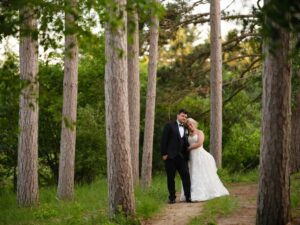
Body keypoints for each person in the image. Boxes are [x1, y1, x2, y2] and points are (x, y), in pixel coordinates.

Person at [180, 118, 229, 202]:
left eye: (191, 124)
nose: (190, 126)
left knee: (201, 173)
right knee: (191, 174)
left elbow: (199, 143)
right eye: (188, 125)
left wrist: (189, 148)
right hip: (191, 157)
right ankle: (189, 194)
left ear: (195, 124)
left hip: (199, 155)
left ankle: (201, 193)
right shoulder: (187, 134)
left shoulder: (200, 132)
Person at [161, 109, 191, 204]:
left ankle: (188, 197)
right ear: (178, 116)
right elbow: (163, 140)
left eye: (185, 117)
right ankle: (172, 197)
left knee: (186, 176)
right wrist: (164, 153)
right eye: (182, 116)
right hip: (170, 157)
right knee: (171, 177)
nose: (184, 118)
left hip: (182, 157)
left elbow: (186, 142)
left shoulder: (186, 128)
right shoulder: (169, 125)